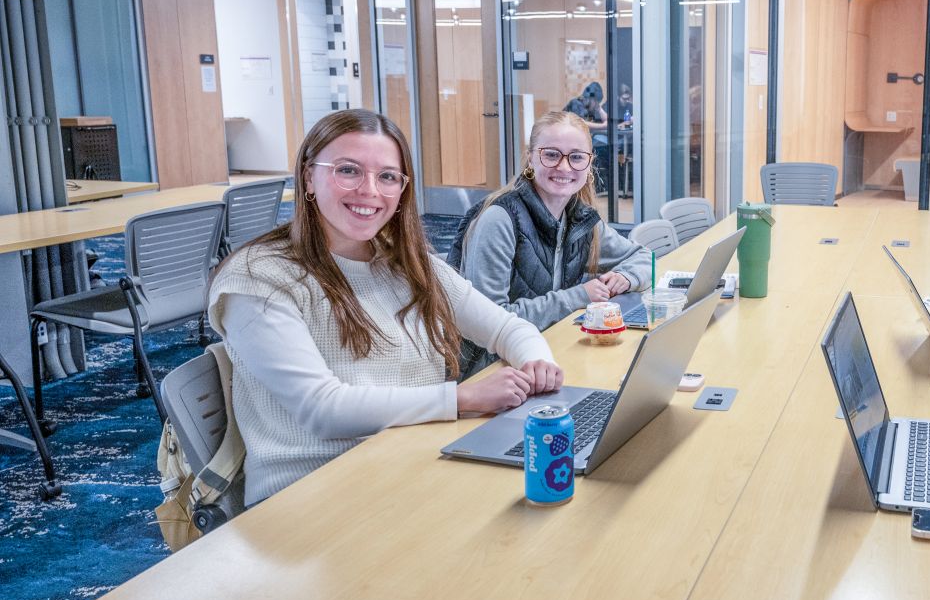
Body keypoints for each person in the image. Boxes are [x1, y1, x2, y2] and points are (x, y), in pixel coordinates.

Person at [209, 109, 562, 508]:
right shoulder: (259, 277)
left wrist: (536, 363)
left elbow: (508, 329)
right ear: (309, 177)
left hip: (414, 463)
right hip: (312, 495)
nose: (370, 191)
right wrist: (463, 399)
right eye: (348, 170)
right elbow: (322, 410)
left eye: (388, 177)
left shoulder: (405, 262)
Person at [450, 110, 652, 374]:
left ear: (589, 165)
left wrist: (627, 277)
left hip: (548, 351)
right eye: (551, 154)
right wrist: (579, 296)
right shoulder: (499, 220)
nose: (565, 167)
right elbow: (488, 324)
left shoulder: (580, 218)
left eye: (577, 157)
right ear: (531, 158)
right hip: (493, 370)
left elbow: (645, 257)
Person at [565, 82, 611, 193]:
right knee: (600, 149)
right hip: (568, 141)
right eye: (596, 102)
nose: (596, 105)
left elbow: (607, 121)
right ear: (592, 98)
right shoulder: (576, 103)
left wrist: (599, 108)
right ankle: (597, 184)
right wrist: (602, 126)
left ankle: (599, 184)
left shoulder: (590, 106)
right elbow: (581, 123)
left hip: (578, 141)